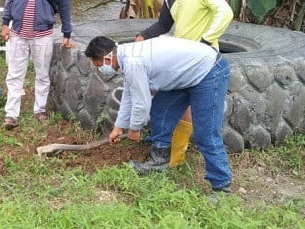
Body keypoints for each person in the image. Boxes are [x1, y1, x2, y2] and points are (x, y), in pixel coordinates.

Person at [84, 35, 233, 193]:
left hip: (209, 71)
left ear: (107, 59)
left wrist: (134, 129)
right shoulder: (125, 55)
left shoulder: (133, 62)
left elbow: (141, 102)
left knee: (206, 133)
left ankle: (222, 186)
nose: (100, 69)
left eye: (98, 64)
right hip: (187, 72)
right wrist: (119, 127)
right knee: (161, 109)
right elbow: (129, 94)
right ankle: (160, 161)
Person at [135, 0, 233, 167]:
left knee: (203, 126)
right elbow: (163, 24)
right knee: (161, 107)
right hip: (181, 64)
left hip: (205, 63)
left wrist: (207, 40)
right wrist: (142, 37)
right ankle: (163, 159)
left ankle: (213, 180)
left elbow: (224, 12)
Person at [0, 0, 74, 130]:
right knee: (15, 74)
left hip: (42, 34)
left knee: (42, 74)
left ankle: (39, 109)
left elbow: (65, 6)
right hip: (18, 33)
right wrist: (6, 23)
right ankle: (11, 114)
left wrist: (67, 33)